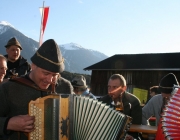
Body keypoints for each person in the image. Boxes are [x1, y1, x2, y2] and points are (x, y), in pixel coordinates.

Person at [0, 39, 72, 140]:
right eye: (46, 73)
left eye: (55, 75)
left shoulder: (65, 86)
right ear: (33, 66)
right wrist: (8, 123)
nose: (50, 80)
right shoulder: (9, 87)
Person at [100, 74, 142, 140]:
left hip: (129, 135)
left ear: (124, 88)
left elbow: (136, 125)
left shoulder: (133, 102)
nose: (111, 91)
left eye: (115, 87)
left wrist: (126, 136)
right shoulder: (103, 100)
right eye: (109, 87)